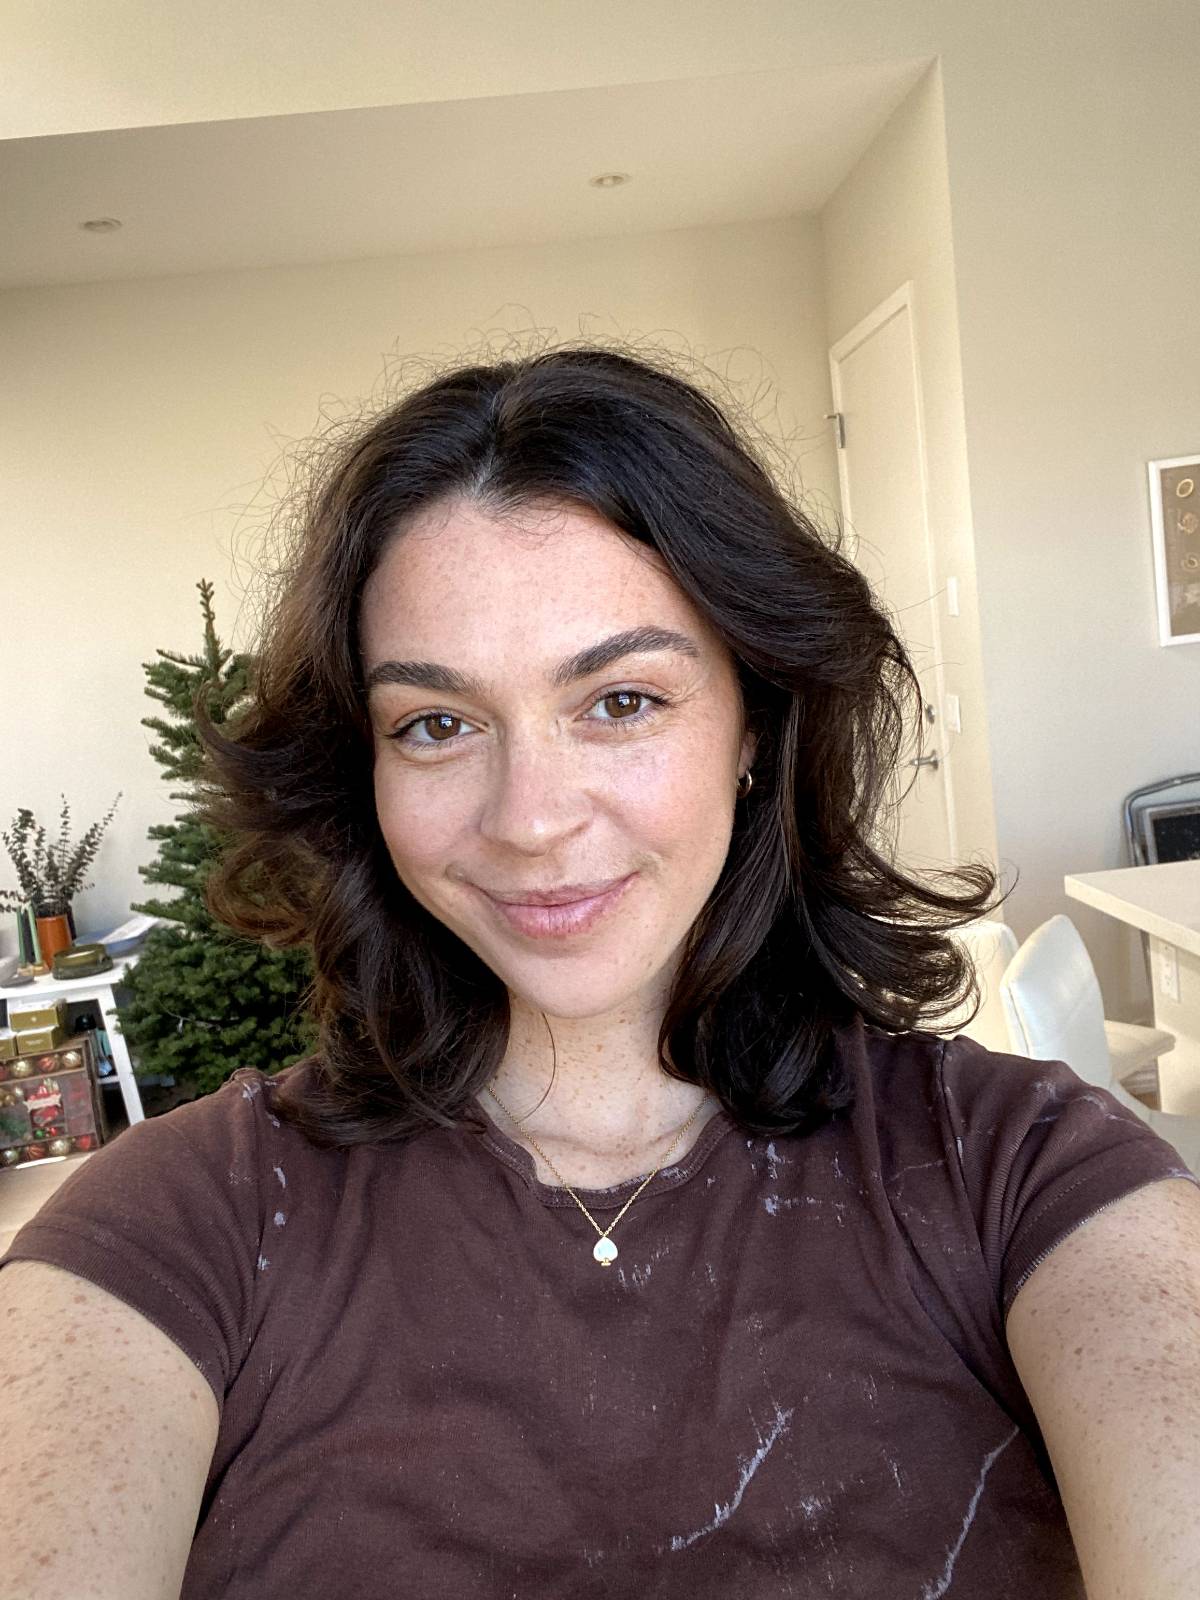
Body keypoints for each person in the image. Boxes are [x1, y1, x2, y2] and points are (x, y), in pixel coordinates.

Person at [1, 344, 1197, 1600]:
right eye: (436, 724)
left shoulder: (1021, 1178)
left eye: (621, 701)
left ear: (753, 723)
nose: (529, 818)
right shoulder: (182, 1224)